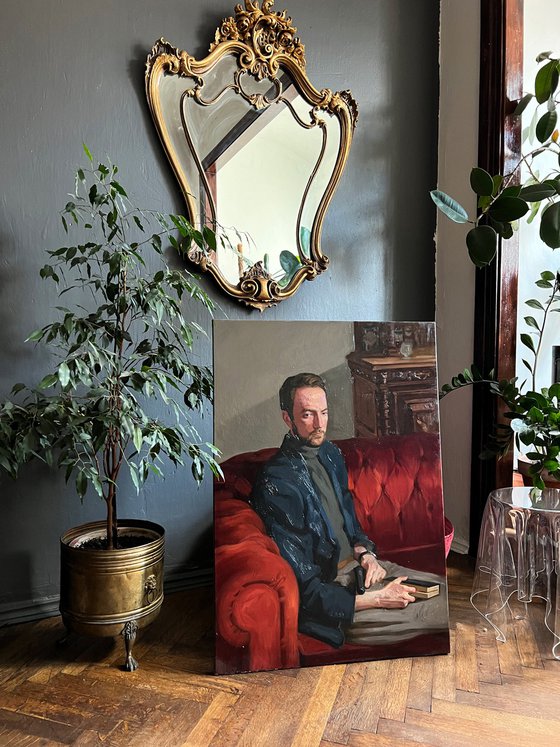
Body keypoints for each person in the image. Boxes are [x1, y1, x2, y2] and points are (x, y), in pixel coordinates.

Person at [250, 372, 447, 648]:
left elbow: (351, 526)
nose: (320, 424)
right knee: (435, 614)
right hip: (337, 602)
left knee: (444, 593)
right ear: (288, 419)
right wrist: (378, 599)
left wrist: (367, 555)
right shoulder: (278, 482)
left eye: (324, 412)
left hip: (363, 572)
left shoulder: (330, 455)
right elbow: (306, 589)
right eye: (307, 415)